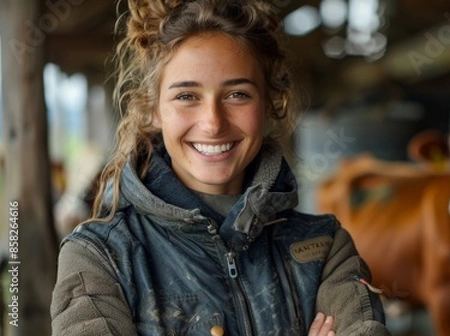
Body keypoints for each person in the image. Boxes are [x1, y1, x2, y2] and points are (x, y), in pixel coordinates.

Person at [50, 0, 390, 335]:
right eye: (186, 96)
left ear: (270, 104)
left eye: (237, 94)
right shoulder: (99, 257)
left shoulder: (324, 247)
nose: (213, 123)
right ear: (152, 109)